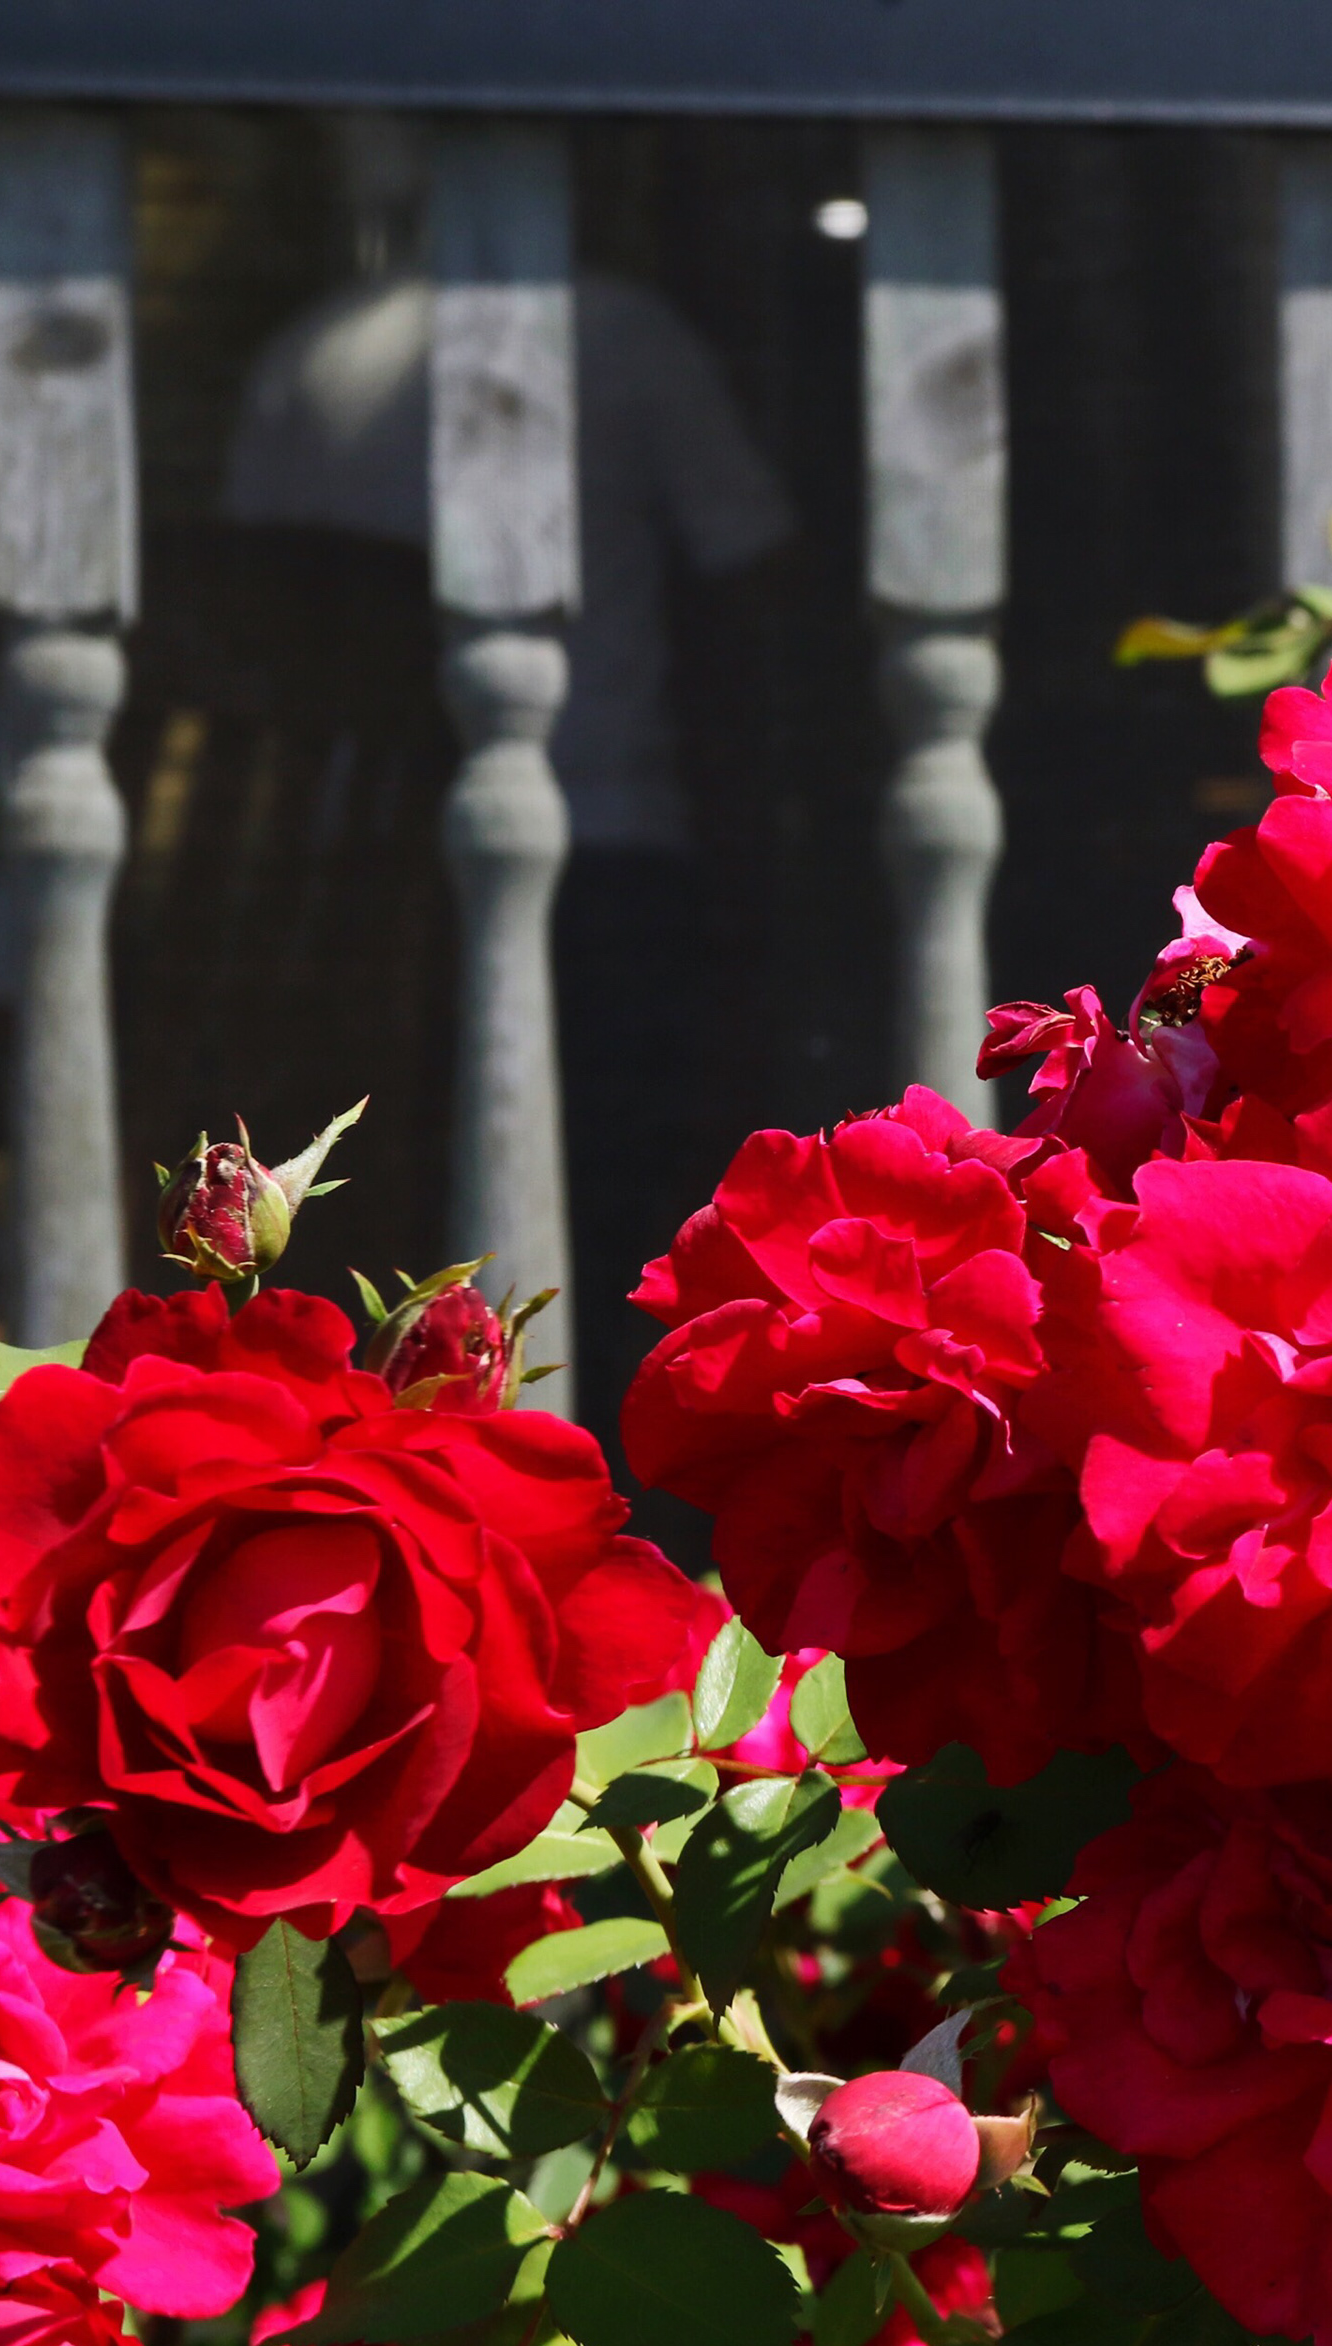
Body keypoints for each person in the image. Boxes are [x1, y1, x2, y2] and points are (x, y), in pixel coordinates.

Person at [221, 115, 792, 1500]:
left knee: (377, 1225)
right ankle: (612, 1508)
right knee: (620, 1225)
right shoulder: (626, 333)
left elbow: (252, 643)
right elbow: (755, 597)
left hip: (348, 873)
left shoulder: (306, 356)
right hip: (607, 840)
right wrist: (767, 853)